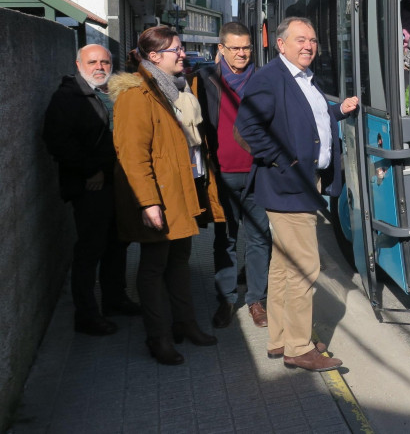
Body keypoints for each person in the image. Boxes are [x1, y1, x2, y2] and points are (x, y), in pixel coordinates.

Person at [236, 16, 358, 372]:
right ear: (281, 44)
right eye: (300, 39)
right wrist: (283, 161)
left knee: (285, 266)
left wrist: (338, 111)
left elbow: (308, 120)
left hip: (300, 182)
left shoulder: (302, 78)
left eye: (313, 40)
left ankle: (281, 338)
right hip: (289, 185)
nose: (308, 46)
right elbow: (247, 127)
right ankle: (299, 347)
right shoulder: (270, 78)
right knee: (305, 267)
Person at [108, 26, 225, 365]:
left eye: (181, 47)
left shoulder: (174, 88)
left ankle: (185, 324)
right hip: (160, 198)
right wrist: (148, 202)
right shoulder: (137, 95)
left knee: (179, 262)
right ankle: (158, 338)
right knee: (153, 267)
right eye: (176, 48)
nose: (183, 53)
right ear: (155, 56)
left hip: (182, 193)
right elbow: (132, 155)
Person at [43, 44, 141, 336]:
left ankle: (115, 299)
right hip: (89, 185)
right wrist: (90, 171)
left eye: (104, 61)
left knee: (117, 242)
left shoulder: (113, 91)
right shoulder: (67, 97)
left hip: (116, 183)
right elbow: (56, 141)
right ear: (78, 64)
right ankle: (86, 315)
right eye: (93, 62)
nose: (99, 66)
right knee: (90, 249)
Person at [191, 21, 271, 330]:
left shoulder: (266, 79)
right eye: (235, 48)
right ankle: (226, 299)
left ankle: (255, 300)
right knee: (224, 239)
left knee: (259, 239)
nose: (242, 53)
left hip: (258, 174)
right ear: (220, 49)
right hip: (220, 176)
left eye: (247, 47)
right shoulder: (203, 79)